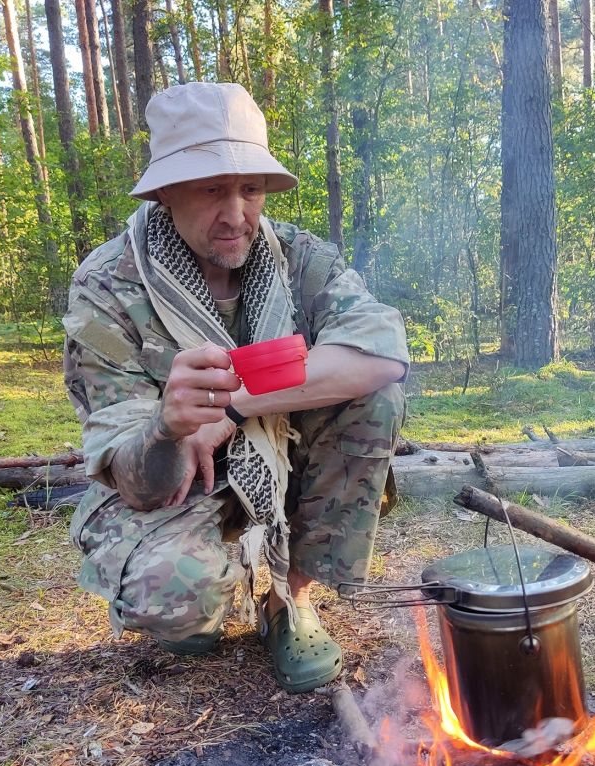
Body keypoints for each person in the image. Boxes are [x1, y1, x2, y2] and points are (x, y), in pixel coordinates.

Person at [62, 82, 408, 693]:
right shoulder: (107, 286)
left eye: (250, 189)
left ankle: (288, 600)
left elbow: (380, 358)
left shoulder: (298, 259)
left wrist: (233, 404)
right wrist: (168, 425)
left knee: (374, 399)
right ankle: (198, 589)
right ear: (166, 193)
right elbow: (136, 479)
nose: (237, 213)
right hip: (171, 486)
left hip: (286, 463)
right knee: (178, 597)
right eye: (211, 190)